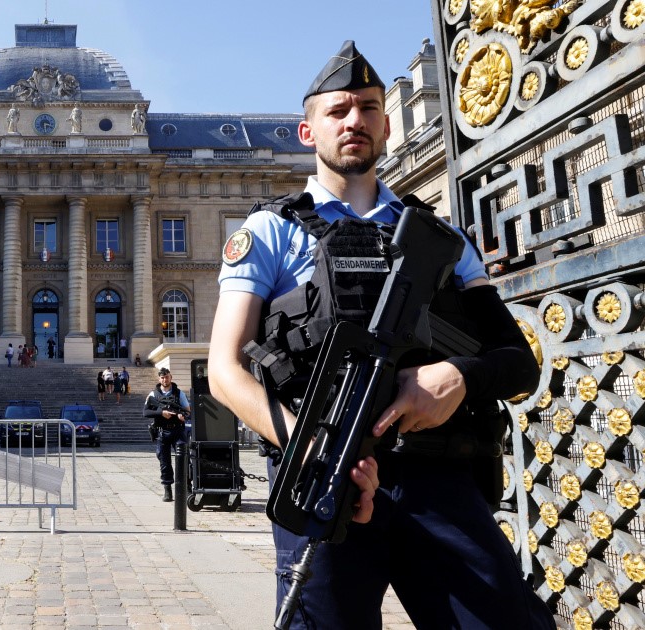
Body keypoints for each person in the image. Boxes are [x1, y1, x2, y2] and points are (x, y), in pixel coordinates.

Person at [206, 41, 552, 629]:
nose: (354, 121)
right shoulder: (269, 231)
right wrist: (313, 451)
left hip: (437, 477)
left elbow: (518, 362)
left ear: (387, 124)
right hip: (322, 476)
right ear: (307, 131)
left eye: (367, 108)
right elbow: (225, 370)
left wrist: (459, 376)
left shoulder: (443, 239)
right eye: (337, 110)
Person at [142, 367, 189, 502]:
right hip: (163, 432)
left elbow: (187, 411)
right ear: (159, 379)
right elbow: (145, 412)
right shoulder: (153, 394)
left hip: (178, 430)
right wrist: (161, 413)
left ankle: (186, 487)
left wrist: (181, 415)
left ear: (171, 377)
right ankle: (167, 490)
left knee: (184, 460)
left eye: (167, 377)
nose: (165, 379)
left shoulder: (179, 393)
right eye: (162, 377)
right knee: (164, 462)